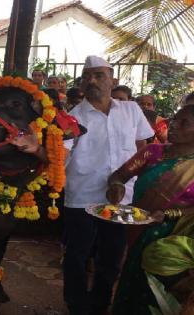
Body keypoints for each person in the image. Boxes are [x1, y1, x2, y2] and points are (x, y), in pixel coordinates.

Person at [62, 55, 154, 315]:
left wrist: (129, 179)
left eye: (99, 75)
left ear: (113, 80)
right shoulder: (72, 117)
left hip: (121, 198)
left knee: (112, 255)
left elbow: (142, 148)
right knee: (78, 255)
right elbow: (63, 154)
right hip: (83, 196)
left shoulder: (131, 110)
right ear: (81, 82)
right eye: (87, 76)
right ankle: (76, 304)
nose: (92, 80)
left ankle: (100, 303)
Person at [107, 104, 194, 315]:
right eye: (174, 119)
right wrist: (117, 186)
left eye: (184, 123)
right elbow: (118, 176)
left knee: (161, 290)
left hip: (176, 238)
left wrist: (170, 215)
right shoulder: (152, 152)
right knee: (132, 275)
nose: (174, 125)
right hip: (139, 227)